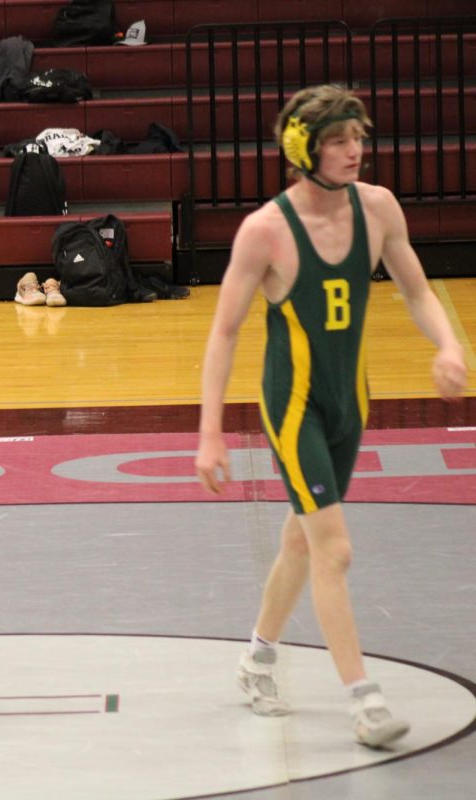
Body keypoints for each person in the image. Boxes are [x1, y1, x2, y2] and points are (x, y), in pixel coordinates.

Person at [195, 84, 468, 748]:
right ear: (302, 150)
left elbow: (416, 288)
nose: (356, 151)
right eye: (341, 141)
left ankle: (258, 656)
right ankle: (364, 700)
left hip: (352, 402)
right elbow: (225, 332)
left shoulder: (377, 209)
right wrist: (209, 434)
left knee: (302, 540)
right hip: (294, 410)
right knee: (335, 550)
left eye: (359, 138)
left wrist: (451, 343)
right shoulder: (266, 230)